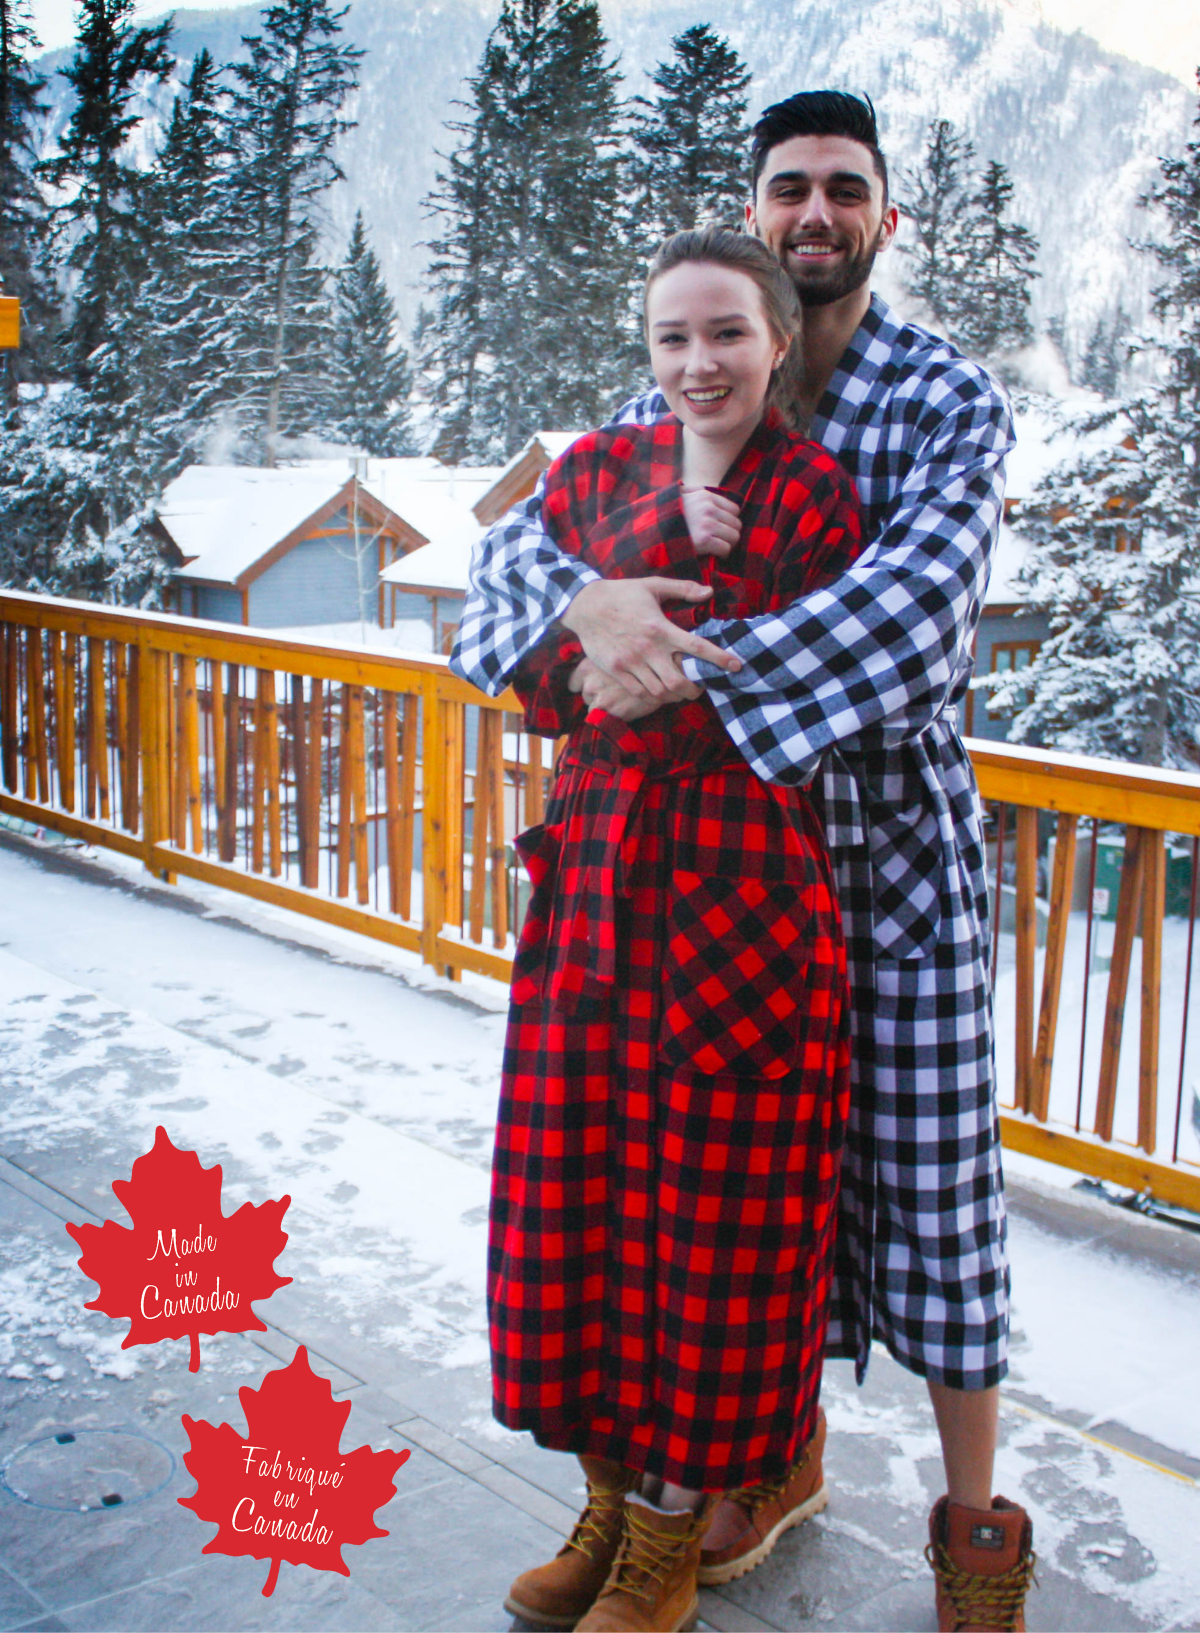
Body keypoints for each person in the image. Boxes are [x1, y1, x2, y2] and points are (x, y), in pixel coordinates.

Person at [452, 93, 1037, 1633]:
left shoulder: (941, 398)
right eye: (790, 187)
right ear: (758, 219)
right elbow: (511, 556)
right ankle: (756, 1470)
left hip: (886, 865)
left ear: (884, 221)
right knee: (716, 1202)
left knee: (933, 1200)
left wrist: (665, 658)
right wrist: (591, 611)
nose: (818, 210)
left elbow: (919, 615)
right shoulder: (694, 361)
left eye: (848, 188)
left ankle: (975, 1531)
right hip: (698, 881)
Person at [468, 225, 864, 1633]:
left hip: (741, 902)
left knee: (716, 1235)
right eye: (671, 339)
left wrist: (616, 657)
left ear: (777, 342)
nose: (699, 365)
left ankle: (667, 1539)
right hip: (595, 889)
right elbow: (516, 655)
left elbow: (770, 694)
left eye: (727, 336)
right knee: (570, 1206)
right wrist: (609, 600)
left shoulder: (818, 500)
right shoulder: (593, 474)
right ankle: (600, 1500)